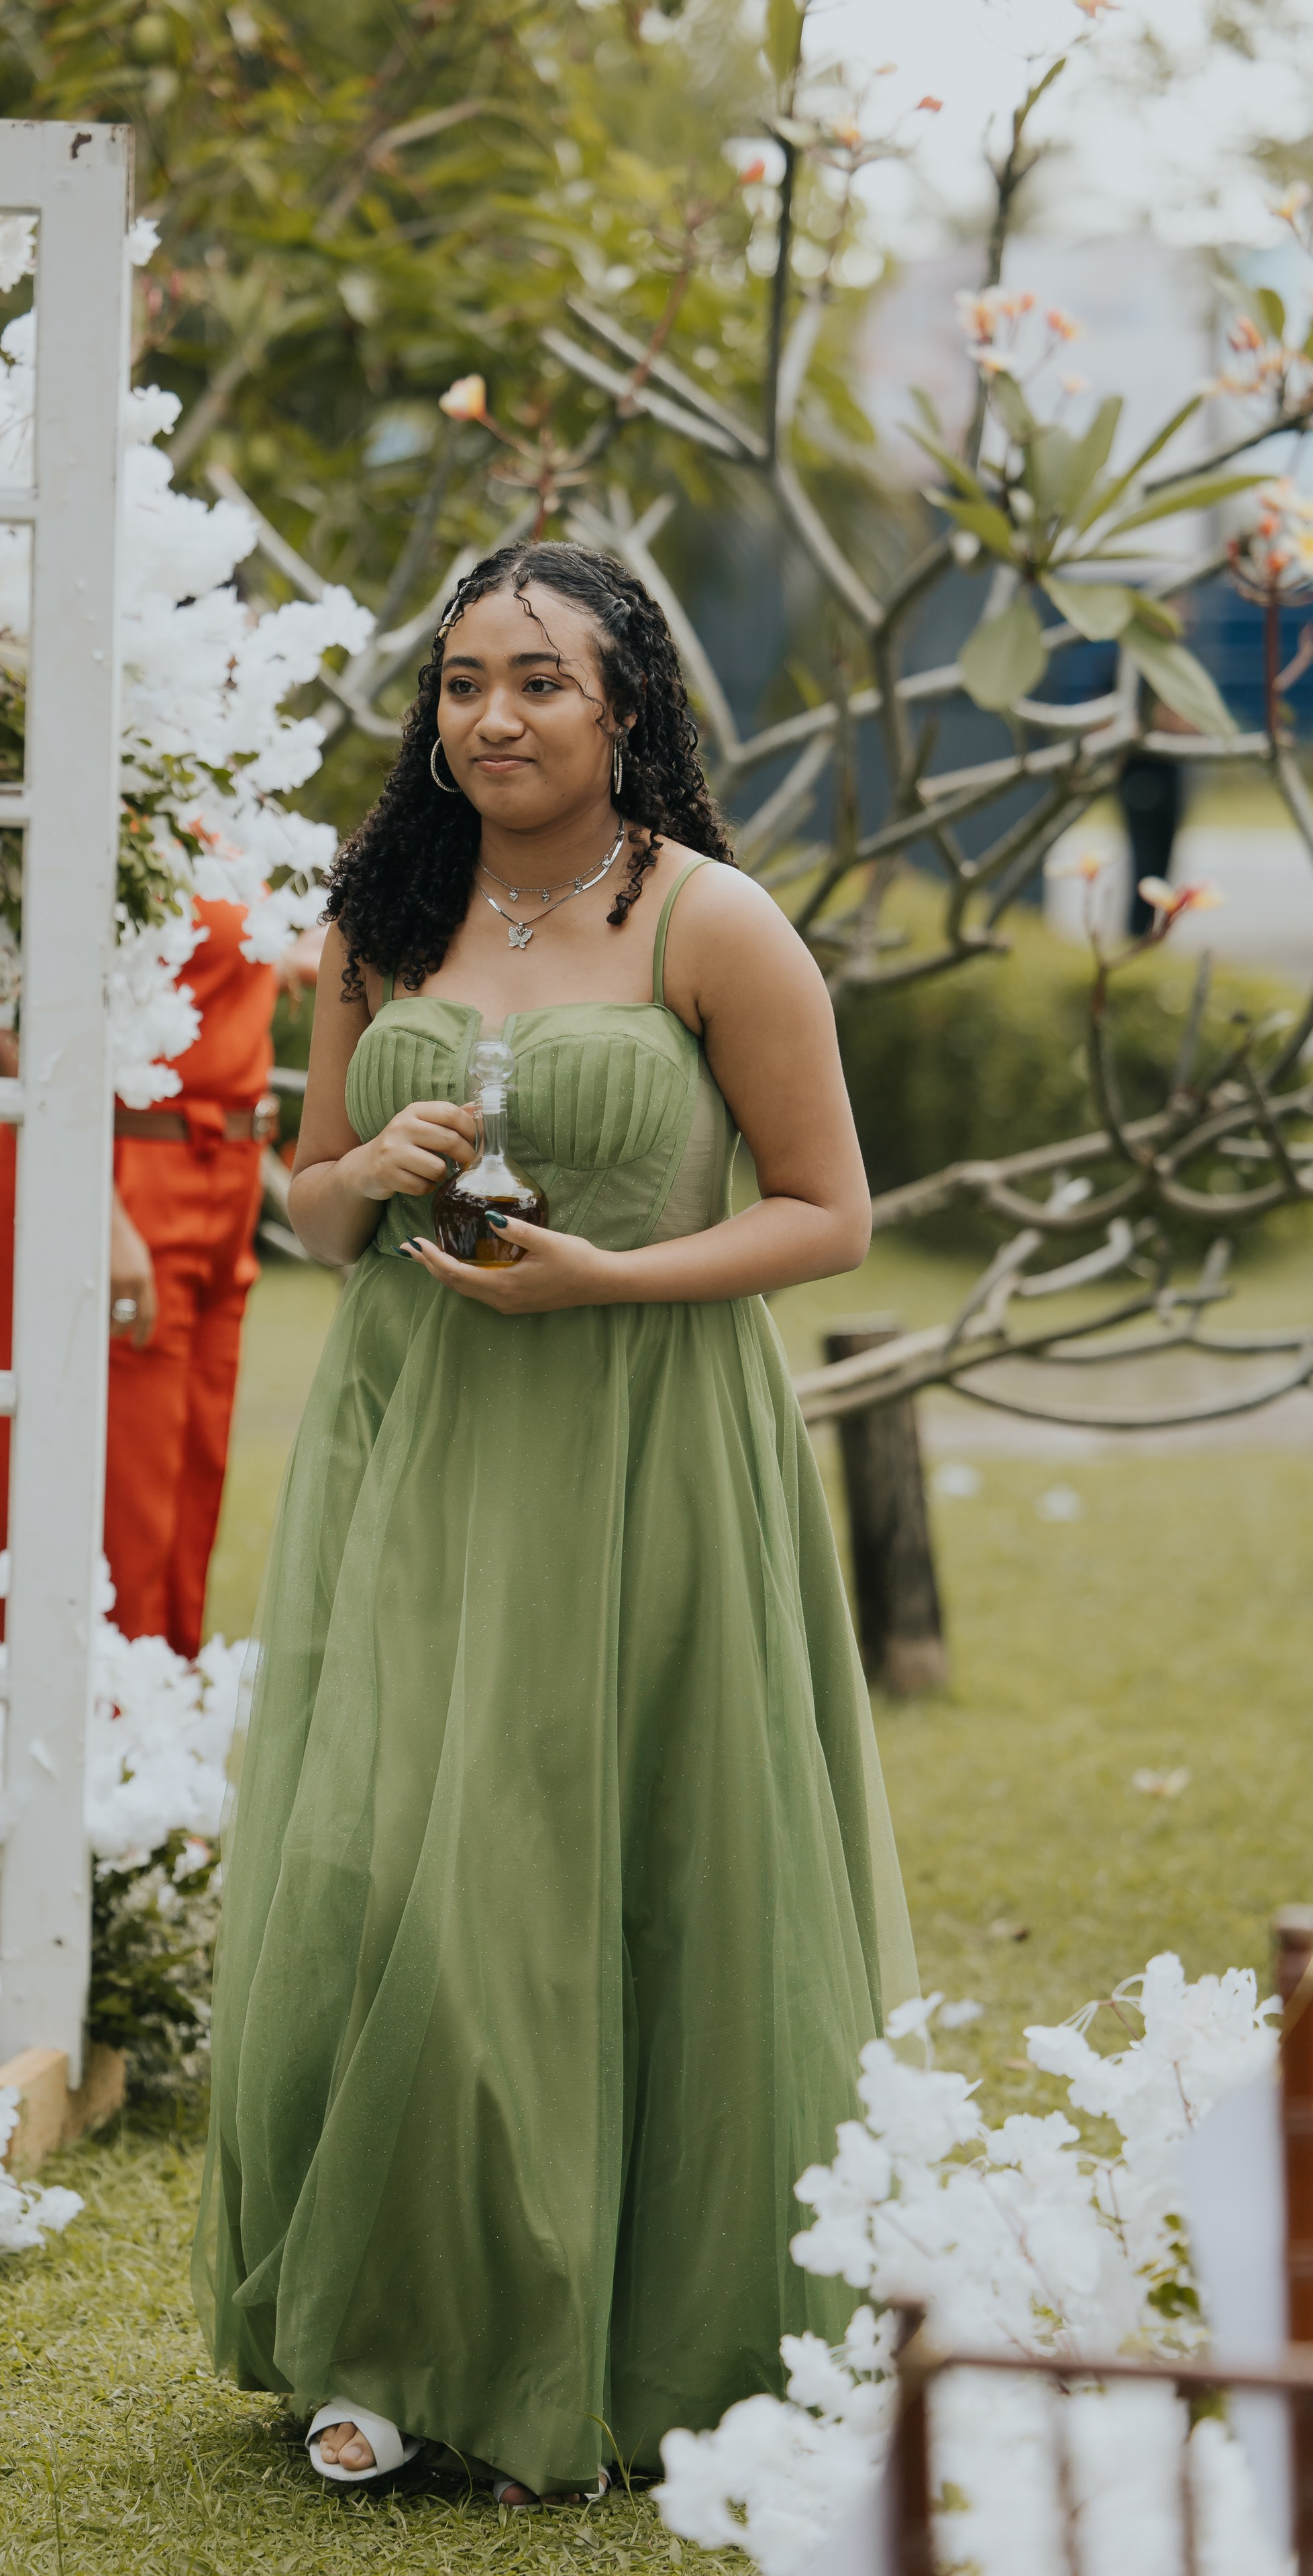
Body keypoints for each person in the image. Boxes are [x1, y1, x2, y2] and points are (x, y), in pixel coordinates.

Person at [193, 541, 916, 2507]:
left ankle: (593, 2346)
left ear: (627, 710)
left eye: (538, 681)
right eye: (458, 683)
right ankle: (396, 2325)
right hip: (414, 1443)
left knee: (570, 1859)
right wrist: (378, 1154)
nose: (490, 717)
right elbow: (312, 1206)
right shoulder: (381, 912)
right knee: (388, 1849)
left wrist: (611, 1276)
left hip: (635, 1440)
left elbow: (828, 1212)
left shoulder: (714, 920)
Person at [0, 899, 319, 1654]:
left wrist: (276, 956)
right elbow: (5, 1023)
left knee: (187, 1512)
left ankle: (157, 1755)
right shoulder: (112, 798)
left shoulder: (230, 804)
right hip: (118, 1175)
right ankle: (91, 1754)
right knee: (113, 1532)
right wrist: (98, 1208)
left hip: (223, 1180)